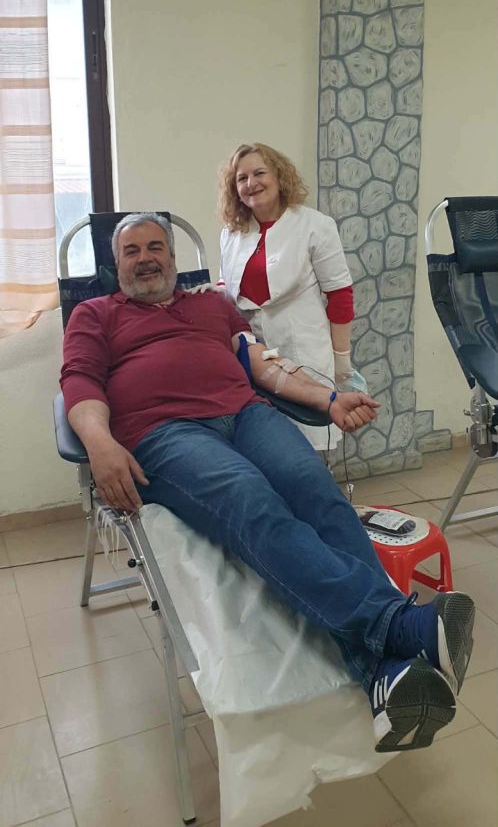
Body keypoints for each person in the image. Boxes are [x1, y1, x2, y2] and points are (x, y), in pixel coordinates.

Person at [60, 212, 475, 755]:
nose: (145, 259)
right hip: (164, 432)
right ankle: (397, 624)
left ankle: (384, 673)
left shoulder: (212, 304)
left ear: (174, 258)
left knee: (316, 491)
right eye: (131, 251)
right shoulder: (95, 314)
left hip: (246, 414)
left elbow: (264, 364)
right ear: (115, 266)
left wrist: (328, 398)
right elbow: (79, 382)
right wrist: (99, 443)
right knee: (250, 497)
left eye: (155, 247)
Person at [217, 143, 355, 453]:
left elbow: (340, 295)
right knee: (265, 446)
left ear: (279, 177)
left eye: (259, 173)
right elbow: (227, 287)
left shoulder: (315, 225)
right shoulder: (231, 233)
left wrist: (341, 357)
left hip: (303, 349)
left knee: (308, 445)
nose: (251, 183)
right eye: (241, 178)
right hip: (252, 356)